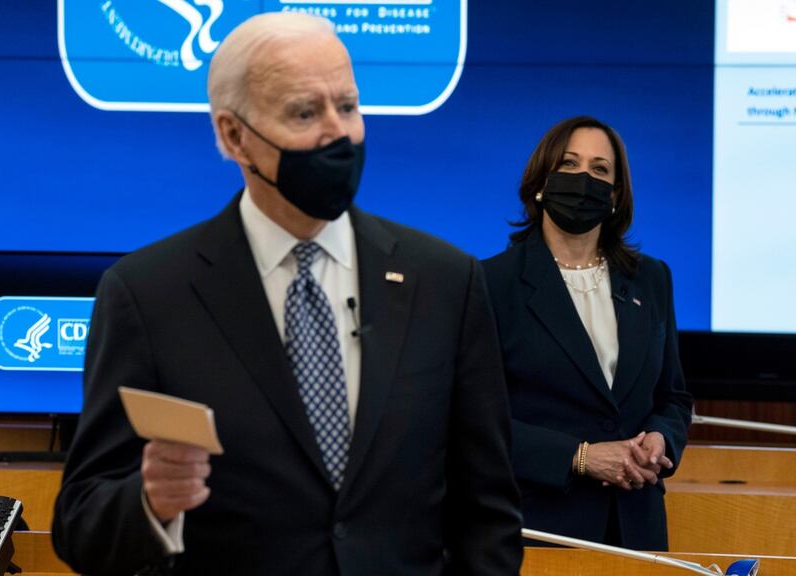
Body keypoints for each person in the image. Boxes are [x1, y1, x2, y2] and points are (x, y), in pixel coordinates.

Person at [52, 13, 522, 576]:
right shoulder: (147, 294)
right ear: (233, 135)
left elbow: (487, 515)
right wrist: (151, 501)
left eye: (347, 106)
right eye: (305, 112)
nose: (338, 133)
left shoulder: (447, 282)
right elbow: (80, 523)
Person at [481, 116, 692, 551]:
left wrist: (660, 439)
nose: (583, 179)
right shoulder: (489, 283)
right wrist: (579, 457)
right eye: (569, 164)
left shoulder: (651, 278)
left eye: (600, 170)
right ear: (541, 181)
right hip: (536, 527)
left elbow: (673, 397)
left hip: (637, 528)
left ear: (616, 195)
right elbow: (473, 421)